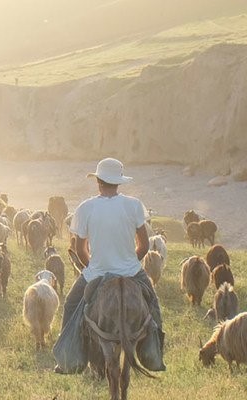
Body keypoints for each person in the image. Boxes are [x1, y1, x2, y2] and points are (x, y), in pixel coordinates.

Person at [52, 157, 165, 373]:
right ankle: (154, 354)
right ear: (119, 182)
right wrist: (129, 263)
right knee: (153, 305)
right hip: (131, 271)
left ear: (98, 181)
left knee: (70, 305)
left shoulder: (85, 207)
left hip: (97, 273)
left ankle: (67, 360)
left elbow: (79, 248)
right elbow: (143, 244)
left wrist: (92, 267)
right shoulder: (134, 205)